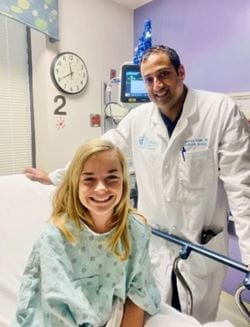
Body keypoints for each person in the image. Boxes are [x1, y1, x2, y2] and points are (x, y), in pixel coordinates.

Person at [24, 45, 250, 323]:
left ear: (181, 72)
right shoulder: (138, 119)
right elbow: (99, 155)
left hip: (201, 244)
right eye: (149, 79)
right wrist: (57, 176)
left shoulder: (219, 111)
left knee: (198, 318)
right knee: (154, 310)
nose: (157, 85)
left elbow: (242, 189)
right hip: (155, 243)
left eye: (164, 74)